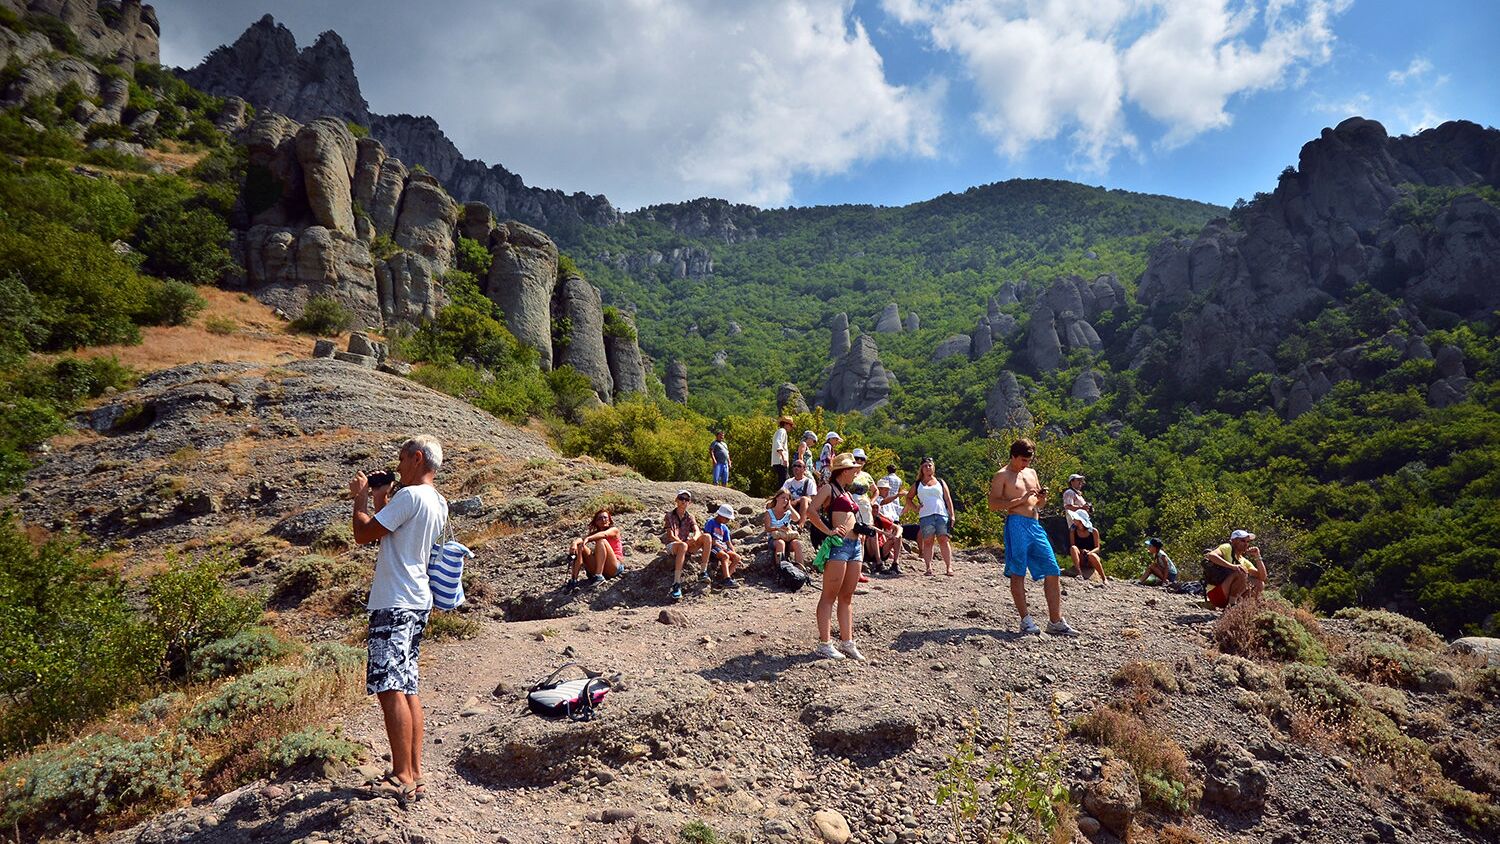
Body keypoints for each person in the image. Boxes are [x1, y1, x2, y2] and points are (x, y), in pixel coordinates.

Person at [350, 435, 449, 802]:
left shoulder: (410, 497)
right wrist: (381, 499)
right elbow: (393, 530)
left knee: (390, 689)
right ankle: (415, 773)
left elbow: (363, 533)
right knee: (407, 686)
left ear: (418, 458)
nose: (399, 465)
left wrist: (360, 496)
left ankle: (401, 773)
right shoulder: (437, 501)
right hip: (417, 600)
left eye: (402, 459)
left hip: (394, 601)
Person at [988, 438, 1077, 636]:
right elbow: (993, 504)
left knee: (1052, 569)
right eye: (1022, 460)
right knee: (1018, 571)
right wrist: (1018, 500)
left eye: (1028, 461)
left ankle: (1055, 621)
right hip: (1016, 524)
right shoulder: (1002, 475)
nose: (1026, 464)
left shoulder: (1031, 473)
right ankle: (1025, 620)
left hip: (1034, 524)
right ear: (1013, 456)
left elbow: (1038, 504)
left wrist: (1041, 497)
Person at [808, 452, 866, 660]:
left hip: (854, 545)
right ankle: (825, 643)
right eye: (853, 470)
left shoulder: (846, 492)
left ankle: (847, 642)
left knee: (847, 596)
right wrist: (828, 531)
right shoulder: (828, 488)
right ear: (845, 471)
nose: (855, 474)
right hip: (838, 546)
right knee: (829, 595)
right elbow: (811, 511)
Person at [905, 457, 956, 576]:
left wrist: (952, 515)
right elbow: (908, 498)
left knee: (944, 540)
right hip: (925, 515)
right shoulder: (918, 484)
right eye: (925, 466)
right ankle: (928, 567)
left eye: (930, 465)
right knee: (928, 541)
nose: (928, 468)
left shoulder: (940, 482)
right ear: (921, 469)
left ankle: (949, 567)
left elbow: (948, 499)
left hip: (941, 513)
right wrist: (915, 507)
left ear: (933, 467)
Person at [663, 490, 712, 601]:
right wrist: (682, 542)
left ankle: (703, 571)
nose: (683, 501)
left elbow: (697, 530)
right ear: (676, 500)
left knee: (707, 537)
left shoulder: (690, 516)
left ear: (689, 503)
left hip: (685, 544)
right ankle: (676, 583)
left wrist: (694, 538)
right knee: (683, 546)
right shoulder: (669, 515)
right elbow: (670, 535)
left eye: (686, 500)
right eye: (681, 498)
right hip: (673, 545)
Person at [1204, 529, 1268, 608]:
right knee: (1240, 570)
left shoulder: (1243, 560)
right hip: (1216, 592)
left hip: (1227, 595)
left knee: (1259, 583)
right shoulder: (1227, 547)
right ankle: (1232, 605)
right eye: (1242, 541)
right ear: (1234, 541)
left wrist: (1257, 556)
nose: (1246, 544)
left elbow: (1262, 577)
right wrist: (1232, 566)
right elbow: (1211, 555)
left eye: (1248, 542)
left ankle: (1239, 607)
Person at [567, 509, 624, 588]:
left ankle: (599, 576)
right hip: (600, 567)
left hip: (614, 567)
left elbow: (604, 534)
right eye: (600, 518)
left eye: (605, 517)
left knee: (601, 541)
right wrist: (574, 543)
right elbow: (582, 539)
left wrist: (589, 539)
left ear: (609, 520)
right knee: (580, 546)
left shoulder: (614, 530)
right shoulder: (595, 534)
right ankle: (573, 580)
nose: (603, 520)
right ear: (596, 522)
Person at [705, 503, 743, 587]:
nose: (728, 520)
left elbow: (728, 543)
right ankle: (727, 579)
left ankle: (725, 578)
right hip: (713, 547)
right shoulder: (711, 522)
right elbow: (707, 536)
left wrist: (734, 553)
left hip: (723, 547)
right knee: (725, 557)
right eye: (726, 518)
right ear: (720, 515)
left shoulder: (725, 528)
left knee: (737, 557)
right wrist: (715, 543)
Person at [764, 489, 804, 566]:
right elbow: (767, 528)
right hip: (775, 538)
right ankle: (780, 568)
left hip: (787, 536)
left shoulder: (788, 513)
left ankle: (800, 569)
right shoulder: (769, 512)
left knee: (797, 543)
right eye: (783, 498)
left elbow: (797, 518)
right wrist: (778, 528)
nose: (785, 500)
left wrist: (789, 506)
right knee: (780, 543)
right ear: (777, 498)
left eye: (787, 499)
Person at [874, 477, 903, 575]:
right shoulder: (877, 501)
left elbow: (900, 511)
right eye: (886, 489)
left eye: (888, 489)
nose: (887, 491)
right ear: (880, 489)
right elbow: (881, 504)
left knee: (897, 533)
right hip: (884, 530)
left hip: (890, 526)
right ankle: (883, 562)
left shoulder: (889, 503)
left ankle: (895, 563)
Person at [1068, 511, 1107, 584]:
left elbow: (1097, 548)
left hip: (1091, 557)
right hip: (1081, 556)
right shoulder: (1073, 531)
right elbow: (1072, 545)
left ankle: (1104, 578)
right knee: (1073, 548)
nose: (1073, 520)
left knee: (1091, 556)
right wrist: (1082, 551)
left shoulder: (1093, 531)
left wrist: (1090, 552)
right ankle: (1079, 573)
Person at [771, 415, 794, 487]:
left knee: (782, 480)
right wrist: (784, 457)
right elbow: (778, 443)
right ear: (786, 424)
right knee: (784, 482)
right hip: (780, 461)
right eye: (790, 425)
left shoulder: (779, 431)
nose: (791, 427)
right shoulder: (782, 431)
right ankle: (782, 497)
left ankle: (780, 496)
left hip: (777, 461)